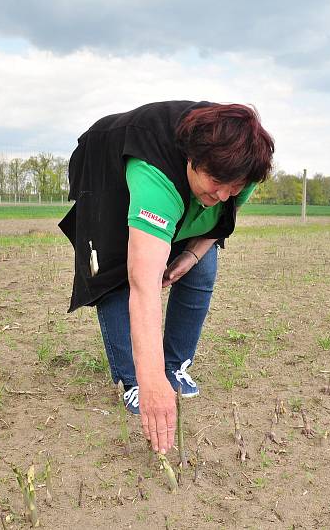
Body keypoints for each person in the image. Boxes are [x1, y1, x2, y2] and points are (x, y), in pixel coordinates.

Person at [59, 101, 274, 454]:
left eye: (233, 187)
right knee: (119, 274)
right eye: (217, 182)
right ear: (191, 158)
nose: (223, 195)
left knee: (202, 266)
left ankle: (174, 367)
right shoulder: (155, 175)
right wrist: (150, 381)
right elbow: (144, 287)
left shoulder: (240, 172)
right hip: (107, 170)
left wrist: (191, 255)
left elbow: (219, 220)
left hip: (178, 191)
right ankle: (134, 379)